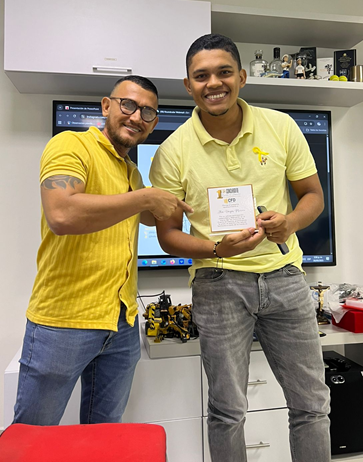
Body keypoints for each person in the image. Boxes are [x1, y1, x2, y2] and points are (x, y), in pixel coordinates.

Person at [149, 34, 331, 462]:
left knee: (312, 404)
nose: (214, 83)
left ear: (242, 77)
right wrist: (217, 250)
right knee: (227, 410)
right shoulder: (172, 151)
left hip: (286, 279)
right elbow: (167, 235)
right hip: (218, 284)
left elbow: (313, 196)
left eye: (224, 72)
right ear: (188, 85)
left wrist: (290, 223)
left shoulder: (281, 126)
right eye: (201, 76)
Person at [13, 75, 193, 426]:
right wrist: (146, 197)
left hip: (122, 324)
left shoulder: (131, 172)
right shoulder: (71, 145)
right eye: (128, 105)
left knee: (106, 435)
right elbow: (61, 214)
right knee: (33, 437)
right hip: (63, 322)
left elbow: (155, 214)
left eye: (148, 112)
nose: (137, 116)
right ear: (106, 106)